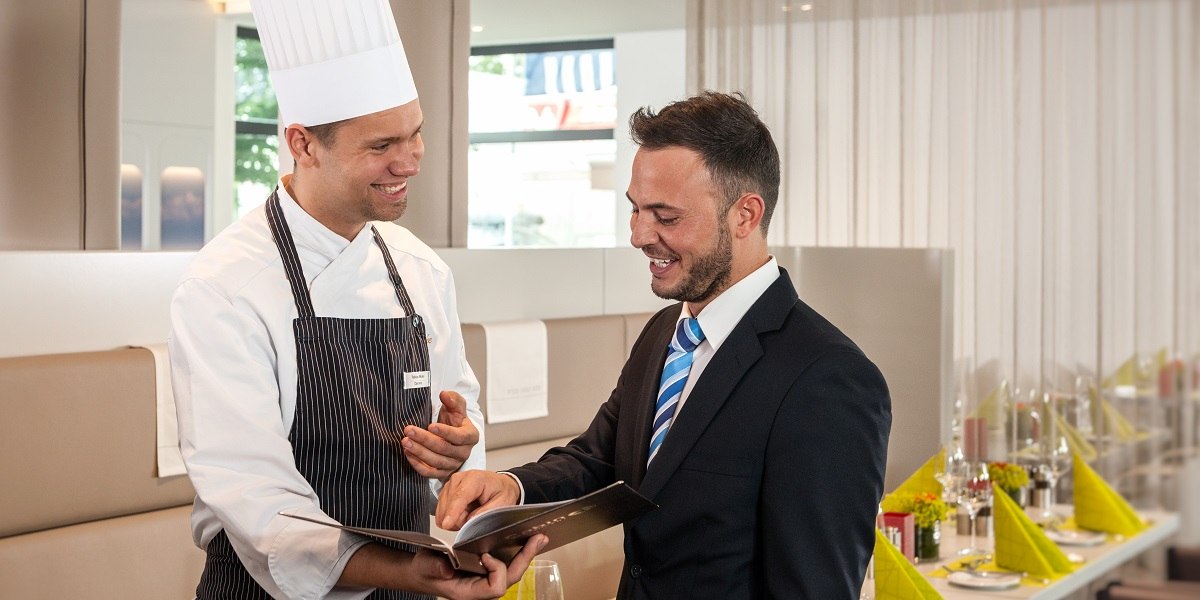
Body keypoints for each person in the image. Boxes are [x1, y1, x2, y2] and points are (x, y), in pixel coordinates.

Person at [437, 91, 892, 599]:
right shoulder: (663, 333)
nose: (638, 235)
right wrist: (513, 489)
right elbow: (600, 460)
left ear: (745, 215)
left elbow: (814, 588)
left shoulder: (828, 377)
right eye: (635, 211)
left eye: (665, 217)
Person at [167, 1, 542, 598]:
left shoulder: (421, 270)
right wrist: (404, 570)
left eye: (416, 133)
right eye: (381, 145)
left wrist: (458, 455)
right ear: (303, 144)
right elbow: (256, 502)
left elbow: (460, 411)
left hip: (414, 586)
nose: (410, 160)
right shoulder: (225, 289)